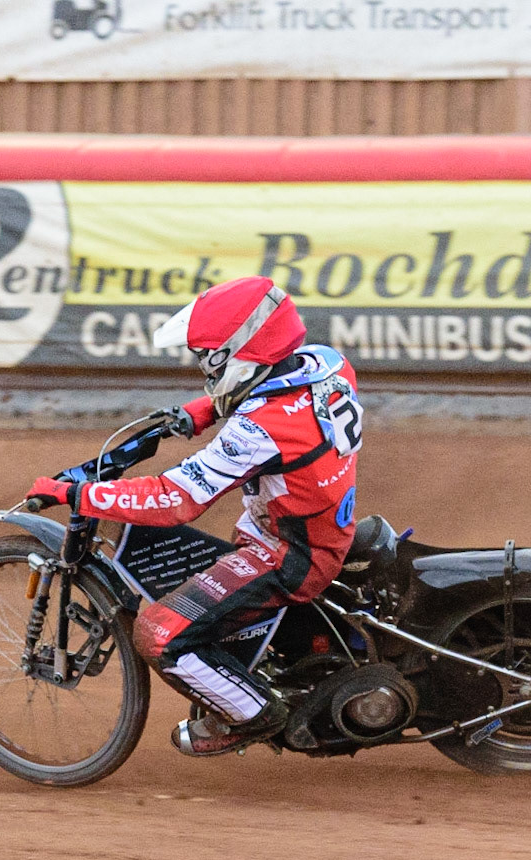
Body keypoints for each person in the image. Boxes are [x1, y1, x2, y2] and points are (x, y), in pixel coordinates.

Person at [26, 276, 363, 756]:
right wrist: (198, 412)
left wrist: (77, 494)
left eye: (211, 359)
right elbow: (273, 388)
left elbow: (174, 500)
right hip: (310, 523)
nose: (204, 369)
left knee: (160, 635)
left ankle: (256, 713)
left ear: (242, 351)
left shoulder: (259, 431)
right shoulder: (328, 364)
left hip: (291, 555)